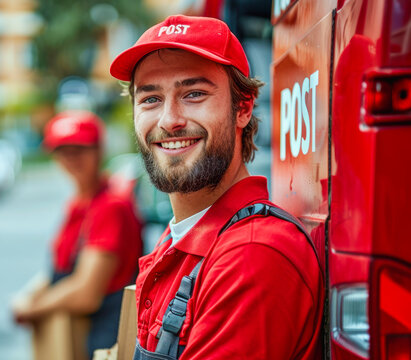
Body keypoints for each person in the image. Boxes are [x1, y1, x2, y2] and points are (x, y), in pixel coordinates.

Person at [109, 15, 324, 359]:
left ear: (243, 107)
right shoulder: (179, 240)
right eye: (150, 99)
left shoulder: (253, 255)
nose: (169, 120)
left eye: (194, 94)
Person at [12, 110, 143, 357]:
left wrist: (32, 308)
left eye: (80, 149)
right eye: (63, 151)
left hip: (102, 339)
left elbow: (86, 293)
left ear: (99, 150)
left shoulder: (110, 207)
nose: (72, 158)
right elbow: (60, 269)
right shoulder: (80, 204)